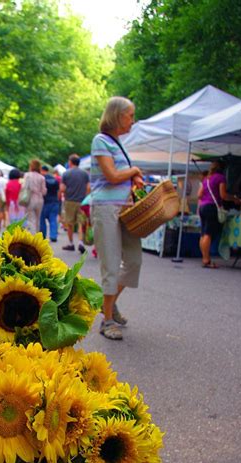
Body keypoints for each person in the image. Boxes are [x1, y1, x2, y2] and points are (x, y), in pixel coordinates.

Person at [90, 96, 145, 341]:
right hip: (106, 208)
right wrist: (133, 171)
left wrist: (134, 179)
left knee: (133, 261)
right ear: (117, 115)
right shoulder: (101, 141)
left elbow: (119, 176)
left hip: (124, 209)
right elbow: (112, 176)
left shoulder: (118, 143)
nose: (133, 120)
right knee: (111, 264)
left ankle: (108, 304)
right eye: (130, 115)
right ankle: (107, 320)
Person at [197, 160, 239, 269]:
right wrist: (233, 198)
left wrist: (206, 199)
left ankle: (204, 258)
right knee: (208, 233)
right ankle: (206, 260)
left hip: (203, 207)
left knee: (203, 234)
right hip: (212, 207)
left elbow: (199, 194)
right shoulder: (221, 178)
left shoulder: (207, 178)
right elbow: (223, 195)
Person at [60, 154, 90, 253]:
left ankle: (71, 243)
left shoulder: (66, 174)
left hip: (70, 201)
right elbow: (88, 188)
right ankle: (81, 243)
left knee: (69, 223)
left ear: (70, 162)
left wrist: (63, 194)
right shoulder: (85, 174)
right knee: (81, 223)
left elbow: (62, 188)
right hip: (82, 201)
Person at [22, 159, 46, 234]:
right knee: (38, 219)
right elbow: (44, 191)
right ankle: (37, 235)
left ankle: (32, 236)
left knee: (31, 219)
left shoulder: (27, 175)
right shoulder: (42, 177)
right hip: (40, 199)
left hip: (30, 199)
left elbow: (24, 187)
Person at [39, 165, 59, 242]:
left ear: (42, 170)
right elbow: (58, 191)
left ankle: (43, 236)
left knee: (42, 220)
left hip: (44, 202)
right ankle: (53, 236)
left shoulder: (42, 179)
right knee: (53, 220)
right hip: (54, 202)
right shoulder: (55, 179)